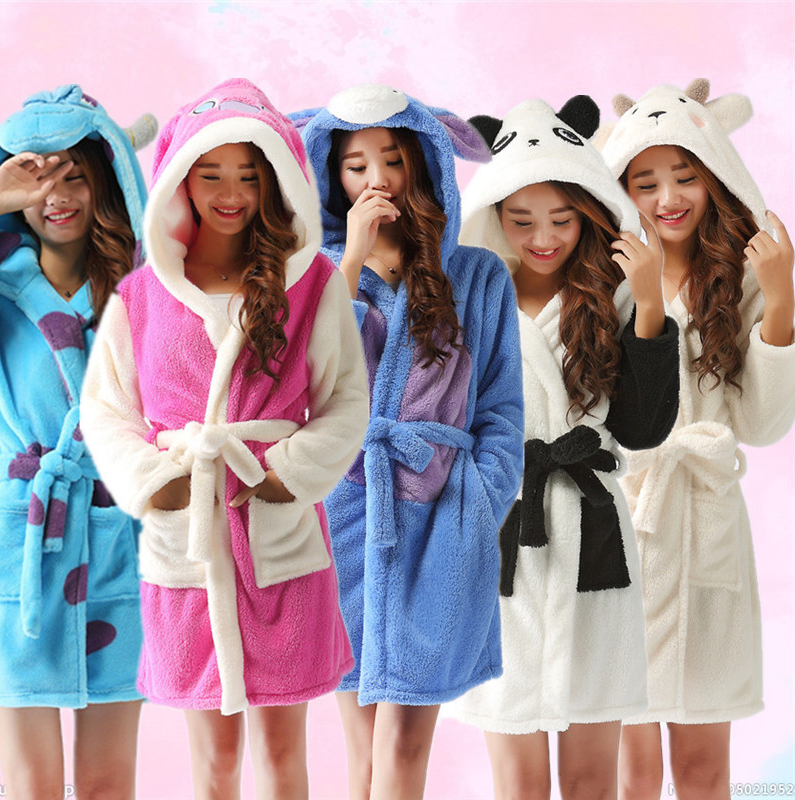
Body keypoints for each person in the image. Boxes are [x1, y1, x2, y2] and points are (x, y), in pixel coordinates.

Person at [80, 79, 369, 800]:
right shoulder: (143, 295)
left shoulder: (313, 283)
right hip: (189, 542)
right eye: (211, 174)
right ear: (181, 179)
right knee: (212, 763)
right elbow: (106, 410)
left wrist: (285, 474)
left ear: (275, 180)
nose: (230, 193)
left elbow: (345, 399)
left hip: (278, 537)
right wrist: (157, 483)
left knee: (282, 754)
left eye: (249, 174)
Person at [444, 97, 679, 800]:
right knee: (517, 779)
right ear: (494, 214)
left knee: (589, 780)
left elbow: (642, 429)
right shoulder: (466, 299)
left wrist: (650, 303)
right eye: (522, 220)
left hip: (591, 534)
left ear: (589, 212)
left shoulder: (614, 296)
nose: (543, 237)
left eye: (562, 219)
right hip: (500, 529)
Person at [296, 83, 525, 800]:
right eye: (356, 165)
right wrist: (350, 259)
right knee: (362, 748)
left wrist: (477, 500)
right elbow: (300, 382)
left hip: (440, 524)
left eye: (392, 159)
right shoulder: (311, 273)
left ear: (423, 161)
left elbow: (502, 408)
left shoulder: (477, 276)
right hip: (344, 517)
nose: (377, 179)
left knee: (404, 741)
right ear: (331, 175)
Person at [600, 79, 795, 800]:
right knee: (633, 770)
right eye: (645, 181)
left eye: (685, 175)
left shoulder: (740, 276)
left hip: (707, 521)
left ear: (715, 175)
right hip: (626, 517)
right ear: (621, 188)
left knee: (705, 770)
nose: (668, 198)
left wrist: (781, 296)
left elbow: (763, 424)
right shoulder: (604, 277)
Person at [0, 85, 154, 799]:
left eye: (75, 176)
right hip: (16, 544)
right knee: (30, 783)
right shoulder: (0, 285)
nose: (55, 196)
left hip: (118, 534)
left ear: (108, 181)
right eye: (35, 176)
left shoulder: (145, 286)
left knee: (106, 781)